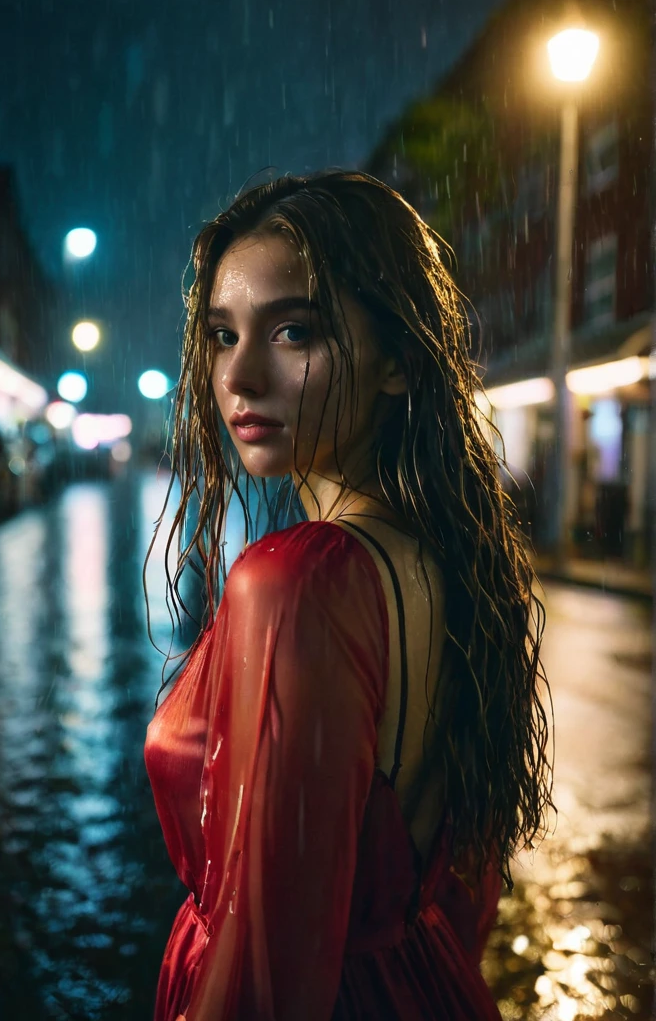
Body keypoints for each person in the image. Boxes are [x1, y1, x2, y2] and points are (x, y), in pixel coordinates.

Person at [144, 170, 555, 1020]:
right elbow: (468, 883)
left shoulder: (299, 582)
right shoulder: (443, 555)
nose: (240, 377)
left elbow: (267, 980)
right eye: (222, 334)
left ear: (400, 359)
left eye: (294, 331)